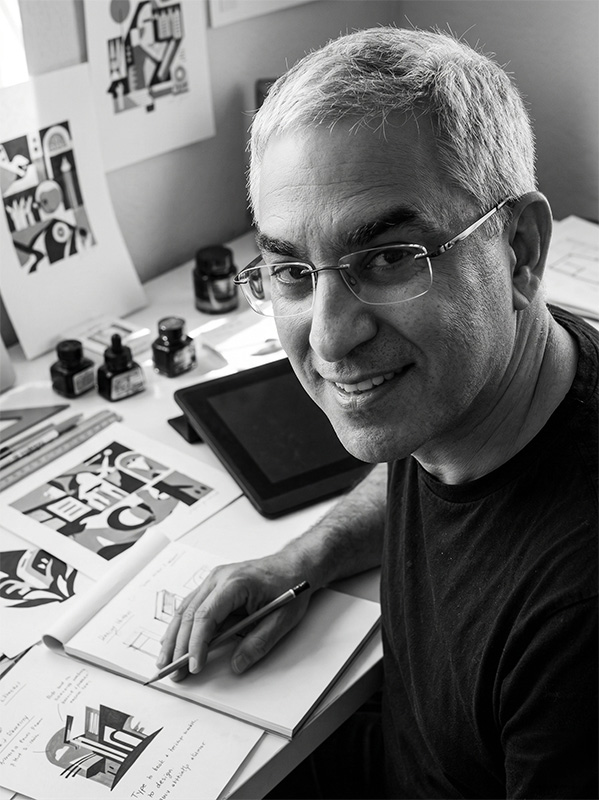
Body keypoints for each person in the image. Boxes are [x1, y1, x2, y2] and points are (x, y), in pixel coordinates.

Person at [158, 26, 598, 798]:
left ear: (519, 251)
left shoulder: (577, 622)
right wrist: (296, 561)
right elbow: (406, 471)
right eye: (292, 269)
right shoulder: (469, 398)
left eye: (391, 257)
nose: (329, 337)